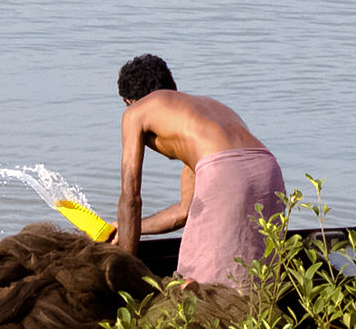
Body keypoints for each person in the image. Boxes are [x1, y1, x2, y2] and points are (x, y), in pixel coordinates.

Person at [113, 54, 285, 289]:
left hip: (223, 171)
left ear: (130, 101)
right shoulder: (202, 112)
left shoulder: (136, 112)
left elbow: (130, 197)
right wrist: (125, 228)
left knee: (198, 281)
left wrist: (126, 273)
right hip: (268, 169)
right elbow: (184, 211)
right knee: (253, 272)